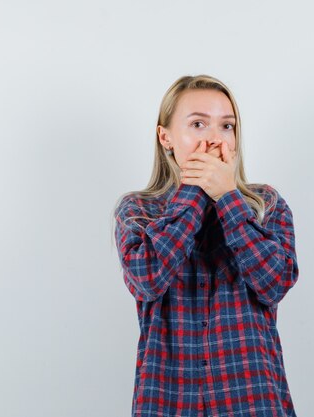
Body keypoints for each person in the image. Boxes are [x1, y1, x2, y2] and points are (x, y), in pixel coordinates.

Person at [112, 74, 300, 417]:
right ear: (165, 137)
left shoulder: (265, 204)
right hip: (169, 400)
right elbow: (148, 278)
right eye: (198, 124)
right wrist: (194, 191)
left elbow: (275, 283)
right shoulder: (138, 209)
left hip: (252, 399)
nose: (214, 139)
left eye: (226, 126)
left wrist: (228, 197)